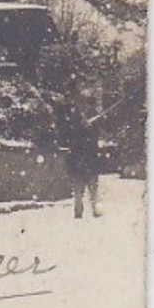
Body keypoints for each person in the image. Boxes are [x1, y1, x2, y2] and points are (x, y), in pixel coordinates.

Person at [56, 89, 105, 219]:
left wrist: (90, 127)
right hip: (79, 156)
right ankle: (78, 211)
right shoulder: (75, 116)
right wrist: (82, 128)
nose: (87, 105)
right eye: (85, 102)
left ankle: (95, 209)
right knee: (79, 188)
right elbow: (72, 134)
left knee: (92, 187)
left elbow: (96, 134)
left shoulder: (94, 117)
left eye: (89, 103)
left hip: (89, 157)